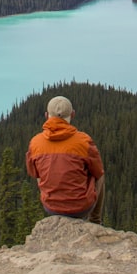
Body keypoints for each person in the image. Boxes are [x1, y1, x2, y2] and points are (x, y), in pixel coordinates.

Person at [26, 95, 105, 224]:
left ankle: (53, 200)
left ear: (46, 115)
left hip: (50, 208)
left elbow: (33, 172)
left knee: (39, 170)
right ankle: (95, 221)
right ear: (72, 114)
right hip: (81, 209)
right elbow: (98, 171)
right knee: (101, 175)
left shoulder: (35, 142)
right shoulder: (83, 141)